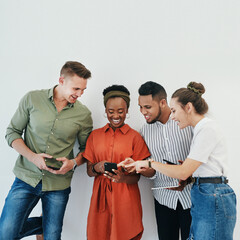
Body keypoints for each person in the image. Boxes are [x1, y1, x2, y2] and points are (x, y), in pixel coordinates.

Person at [122, 82, 237, 239]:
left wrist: (151, 163)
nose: (173, 115)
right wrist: (140, 165)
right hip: (188, 194)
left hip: (202, 195)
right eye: (140, 107)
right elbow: (195, 167)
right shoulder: (148, 131)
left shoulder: (201, 128)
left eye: (174, 110)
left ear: (187, 107)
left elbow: (184, 171)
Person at [0, 61, 93, 240]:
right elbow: (12, 133)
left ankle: (49, 227)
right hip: (27, 177)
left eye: (83, 90)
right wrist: (33, 157)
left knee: (52, 236)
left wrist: (73, 163)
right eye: (76, 88)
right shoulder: (32, 99)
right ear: (61, 80)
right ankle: (44, 224)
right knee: (6, 233)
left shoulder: (83, 115)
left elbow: (86, 150)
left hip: (59, 184)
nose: (79, 94)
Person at [123, 81, 193, 240]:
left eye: (147, 107)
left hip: (193, 198)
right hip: (164, 200)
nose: (143, 112)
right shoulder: (144, 131)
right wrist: (140, 168)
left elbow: (202, 157)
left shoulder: (186, 122)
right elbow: (150, 172)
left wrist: (189, 174)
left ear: (162, 103)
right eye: (140, 107)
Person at [82, 85, 151, 240]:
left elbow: (138, 176)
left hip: (126, 199)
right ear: (105, 111)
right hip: (100, 199)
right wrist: (97, 167)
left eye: (120, 111)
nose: (116, 115)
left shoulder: (135, 137)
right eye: (111, 111)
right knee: (99, 233)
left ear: (127, 111)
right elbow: (88, 171)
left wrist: (123, 178)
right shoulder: (95, 136)